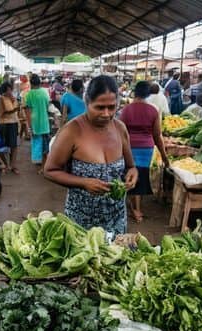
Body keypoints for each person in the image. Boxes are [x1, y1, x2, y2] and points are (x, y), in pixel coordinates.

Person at [44, 75, 138, 236]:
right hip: (81, 219)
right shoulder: (72, 131)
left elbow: (131, 166)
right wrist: (83, 183)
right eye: (100, 107)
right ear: (87, 102)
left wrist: (132, 174)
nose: (107, 114)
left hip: (116, 218)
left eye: (112, 107)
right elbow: (50, 170)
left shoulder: (120, 128)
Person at [120, 81, 169, 223]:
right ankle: (137, 209)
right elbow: (157, 135)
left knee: (129, 173)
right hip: (146, 149)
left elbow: (121, 132)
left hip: (129, 148)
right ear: (148, 94)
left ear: (135, 92)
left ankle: (135, 207)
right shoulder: (153, 111)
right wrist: (164, 156)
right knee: (141, 176)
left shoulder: (126, 110)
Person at [24, 74, 51, 173]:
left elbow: (28, 111)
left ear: (31, 83)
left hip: (35, 122)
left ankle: (39, 163)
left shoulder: (29, 94)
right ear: (39, 83)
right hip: (44, 122)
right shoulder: (45, 92)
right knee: (45, 145)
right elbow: (48, 106)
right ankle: (45, 165)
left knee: (36, 143)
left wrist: (29, 126)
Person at [0, 82, 20, 173]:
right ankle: (5, 164)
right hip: (4, 124)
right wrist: (12, 110)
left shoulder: (13, 98)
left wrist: (14, 104)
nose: (10, 91)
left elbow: (17, 109)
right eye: (9, 90)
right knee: (2, 146)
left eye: (11, 89)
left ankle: (13, 165)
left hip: (14, 123)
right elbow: (0, 113)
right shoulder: (1, 99)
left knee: (14, 145)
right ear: (4, 91)